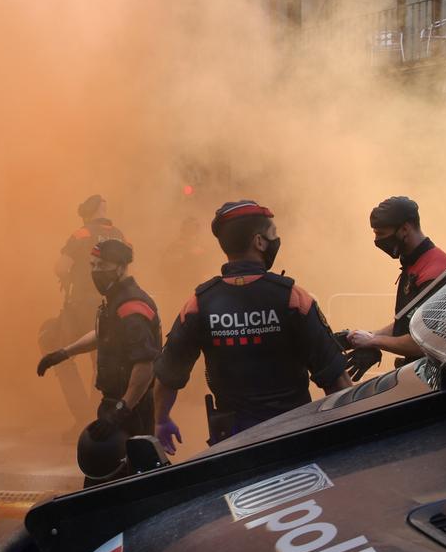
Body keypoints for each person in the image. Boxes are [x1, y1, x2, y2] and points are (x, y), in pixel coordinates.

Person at [152, 200, 351, 451]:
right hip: (295, 436)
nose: (275, 240)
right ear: (259, 242)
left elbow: (167, 375)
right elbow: (336, 379)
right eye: (273, 234)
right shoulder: (293, 299)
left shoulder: (199, 303)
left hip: (233, 444)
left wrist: (161, 420)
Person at [37, 238, 160, 486]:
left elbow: (145, 366)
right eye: (92, 264)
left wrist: (122, 410)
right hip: (114, 405)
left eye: (102, 265)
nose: (95, 271)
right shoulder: (114, 301)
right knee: (104, 477)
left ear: (121, 267)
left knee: (132, 480)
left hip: (132, 409)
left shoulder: (132, 307)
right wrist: (64, 353)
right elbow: (104, 335)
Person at [38, 195, 126, 434]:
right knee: (101, 361)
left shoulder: (81, 235)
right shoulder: (118, 234)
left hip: (82, 306)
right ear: (103, 210)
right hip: (112, 304)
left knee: (57, 349)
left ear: (87, 212)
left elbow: (61, 267)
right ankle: (96, 418)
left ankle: (83, 416)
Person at [344, 196, 446, 379]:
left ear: (404, 229)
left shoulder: (434, 273)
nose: (377, 240)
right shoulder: (414, 263)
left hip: (441, 379)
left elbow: (421, 342)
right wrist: (363, 337)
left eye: (381, 234)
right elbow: (407, 324)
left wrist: (374, 341)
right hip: (422, 372)